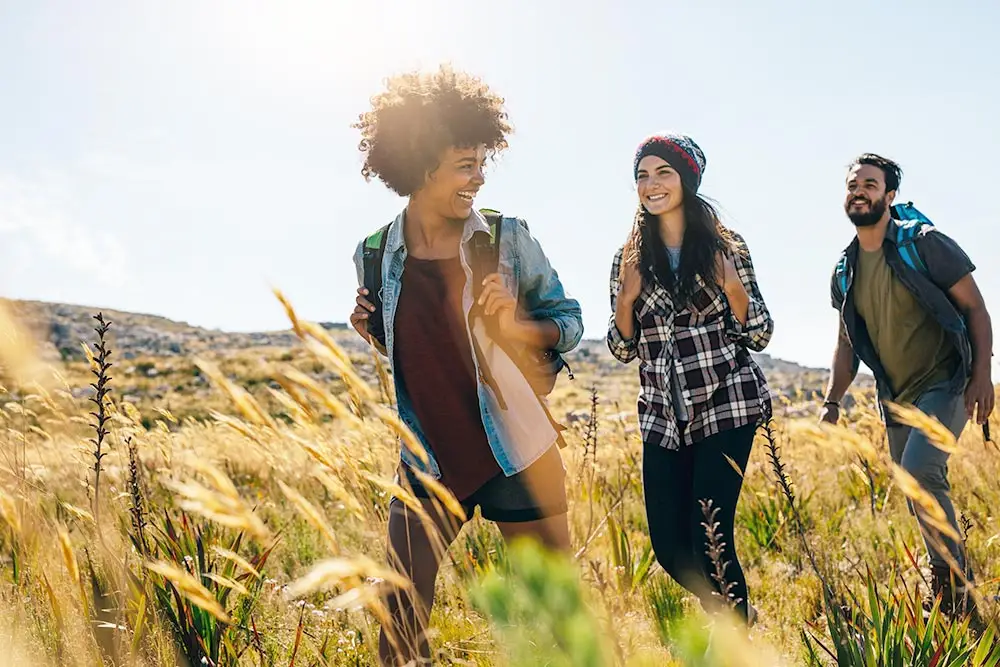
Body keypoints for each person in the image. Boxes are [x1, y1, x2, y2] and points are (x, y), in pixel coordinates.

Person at [348, 65, 583, 666]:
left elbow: (568, 320)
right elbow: (413, 347)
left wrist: (518, 327)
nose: (479, 178)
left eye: (482, 163)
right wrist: (371, 331)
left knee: (560, 622)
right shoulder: (375, 254)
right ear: (420, 164)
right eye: (464, 165)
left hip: (516, 451)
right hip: (426, 457)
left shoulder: (507, 239)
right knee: (397, 616)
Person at [607, 133, 773, 627]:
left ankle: (735, 641)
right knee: (668, 546)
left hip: (726, 406)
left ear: (688, 181)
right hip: (662, 417)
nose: (651, 185)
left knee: (710, 537)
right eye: (642, 175)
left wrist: (734, 289)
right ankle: (732, 614)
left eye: (663, 173)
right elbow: (621, 348)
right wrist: (624, 301)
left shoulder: (727, 247)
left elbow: (760, 332)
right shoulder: (628, 257)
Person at [819, 153, 993, 618]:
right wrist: (832, 400)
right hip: (895, 398)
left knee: (920, 471)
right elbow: (846, 343)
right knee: (917, 491)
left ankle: (956, 591)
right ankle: (947, 584)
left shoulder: (925, 244)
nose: (860, 190)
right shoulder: (845, 270)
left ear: (890, 196)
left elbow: (976, 309)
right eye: (853, 184)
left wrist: (982, 376)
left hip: (947, 381)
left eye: (870, 184)